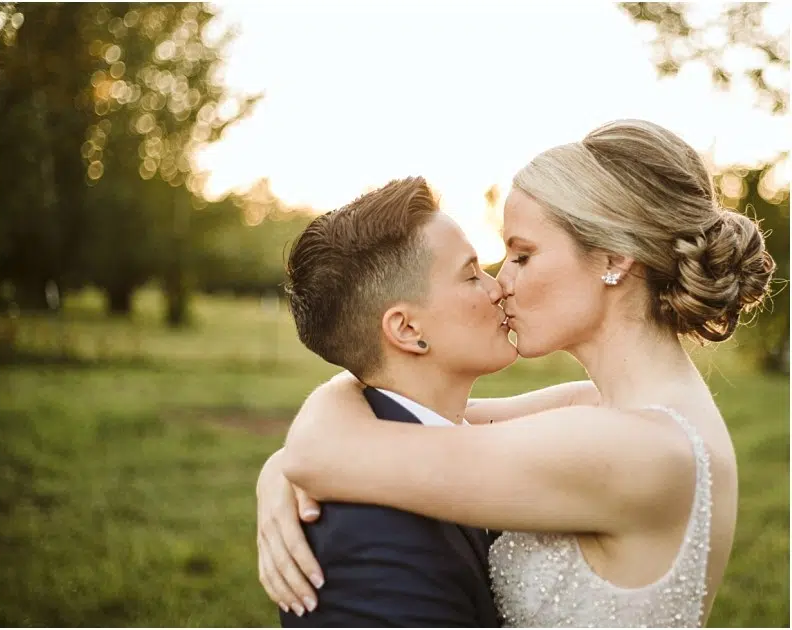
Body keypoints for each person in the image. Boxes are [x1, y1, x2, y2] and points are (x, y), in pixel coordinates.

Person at [257, 119, 776, 627]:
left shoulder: (639, 448)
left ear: (614, 259)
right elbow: (425, 418)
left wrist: (288, 465)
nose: (501, 283)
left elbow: (327, 452)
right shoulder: (602, 407)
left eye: (522, 255)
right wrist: (280, 466)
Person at [261, 175, 599, 626]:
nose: (498, 287)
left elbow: (596, 401)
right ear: (407, 330)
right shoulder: (370, 537)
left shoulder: (417, 439)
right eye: (471, 274)